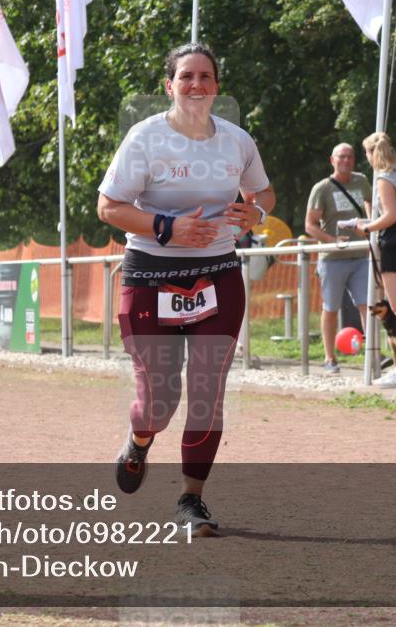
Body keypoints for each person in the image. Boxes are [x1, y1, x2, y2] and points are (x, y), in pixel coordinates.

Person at [98, 43, 276, 535]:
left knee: (206, 392)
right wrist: (166, 227)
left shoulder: (237, 141)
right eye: (186, 76)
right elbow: (109, 207)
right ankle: (140, 440)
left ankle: (190, 501)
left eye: (206, 76)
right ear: (169, 85)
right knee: (158, 400)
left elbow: (262, 190)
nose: (196, 84)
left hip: (217, 274)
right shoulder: (145, 138)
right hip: (150, 275)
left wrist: (255, 212)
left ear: (216, 85)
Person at [357, 132, 396, 388]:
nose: (367, 159)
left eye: (367, 154)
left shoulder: (384, 178)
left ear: (373, 154)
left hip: (394, 243)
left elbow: (390, 215)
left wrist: (367, 227)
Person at [305, 143, 372, 374]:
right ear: (332, 160)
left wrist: (370, 223)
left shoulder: (361, 181)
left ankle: (372, 354)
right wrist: (332, 241)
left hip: (361, 255)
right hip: (333, 258)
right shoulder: (322, 188)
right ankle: (329, 358)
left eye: (350, 157)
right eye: (341, 157)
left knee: (367, 305)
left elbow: (372, 203)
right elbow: (310, 225)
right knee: (331, 308)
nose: (346, 161)